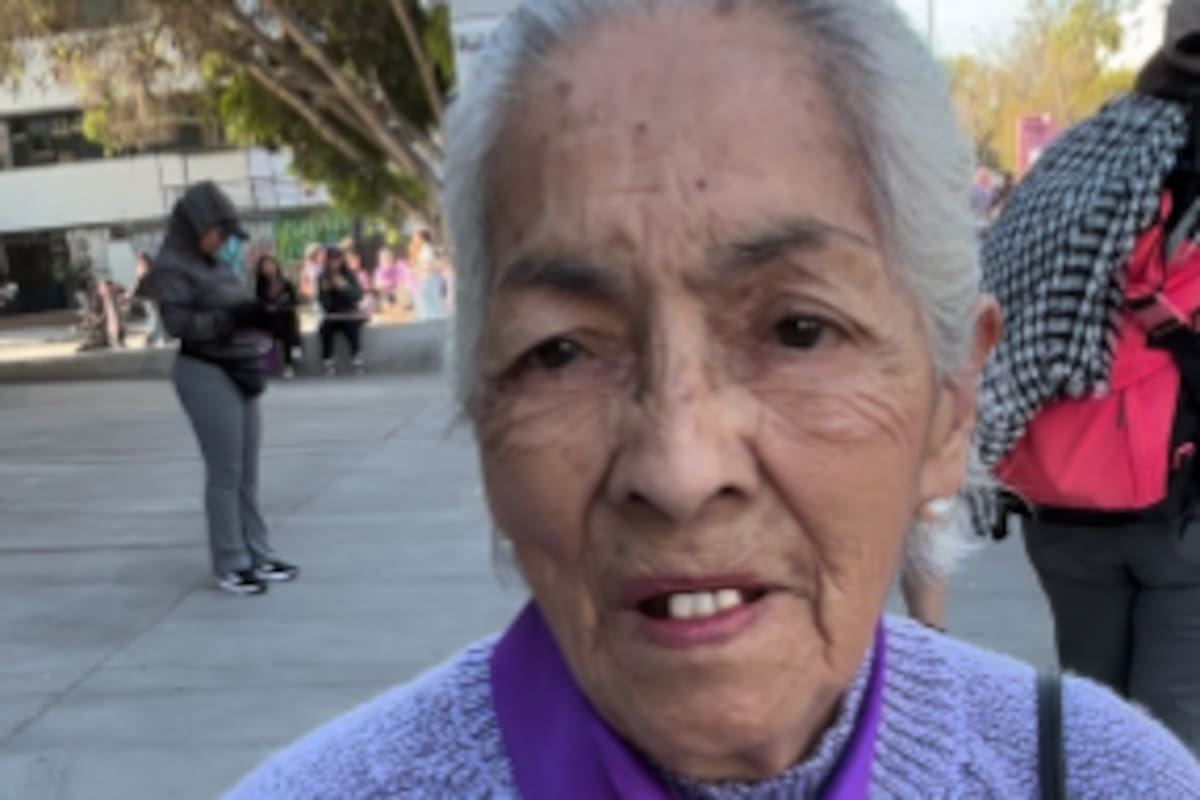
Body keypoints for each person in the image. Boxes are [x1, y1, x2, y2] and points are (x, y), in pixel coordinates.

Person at [227, 1, 1200, 797]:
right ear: (481, 411)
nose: (681, 467)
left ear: (951, 402)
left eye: (799, 329)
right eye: (561, 349)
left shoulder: (1105, 777)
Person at [979, 1, 1200, 755]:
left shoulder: (1085, 155)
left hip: (1063, 496)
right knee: (1170, 741)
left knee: (1091, 723)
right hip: (1180, 508)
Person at [144, 181, 299, 596]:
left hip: (239, 367)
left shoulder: (215, 264)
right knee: (225, 472)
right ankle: (231, 562)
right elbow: (180, 325)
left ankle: (258, 553)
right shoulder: (172, 266)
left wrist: (264, 315)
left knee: (247, 472)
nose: (225, 241)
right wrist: (232, 320)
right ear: (198, 225)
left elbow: (234, 306)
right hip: (205, 370)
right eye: (221, 232)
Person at [317, 246, 367, 375]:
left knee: (351, 326)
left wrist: (344, 287)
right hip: (332, 314)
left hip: (349, 311)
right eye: (331, 260)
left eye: (337, 260)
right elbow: (324, 304)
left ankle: (356, 356)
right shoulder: (322, 277)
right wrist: (326, 291)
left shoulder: (349, 274)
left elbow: (357, 296)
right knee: (325, 329)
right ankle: (328, 360)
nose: (334, 263)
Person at [254, 254, 303, 380]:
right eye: (265, 266)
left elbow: (295, 301)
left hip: (285, 317)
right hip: (269, 320)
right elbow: (259, 302)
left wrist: (281, 306)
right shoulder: (261, 285)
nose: (268, 268)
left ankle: (289, 363)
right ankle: (269, 364)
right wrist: (268, 307)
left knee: (288, 328)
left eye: (271, 265)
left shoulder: (286, 283)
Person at [133, 252, 166, 349]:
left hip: (149, 297)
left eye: (140, 260)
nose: (138, 262)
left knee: (153, 316)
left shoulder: (145, 271)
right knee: (154, 315)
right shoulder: (149, 271)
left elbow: (139, 284)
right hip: (150, 297)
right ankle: (158, 337)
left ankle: (154, 338)